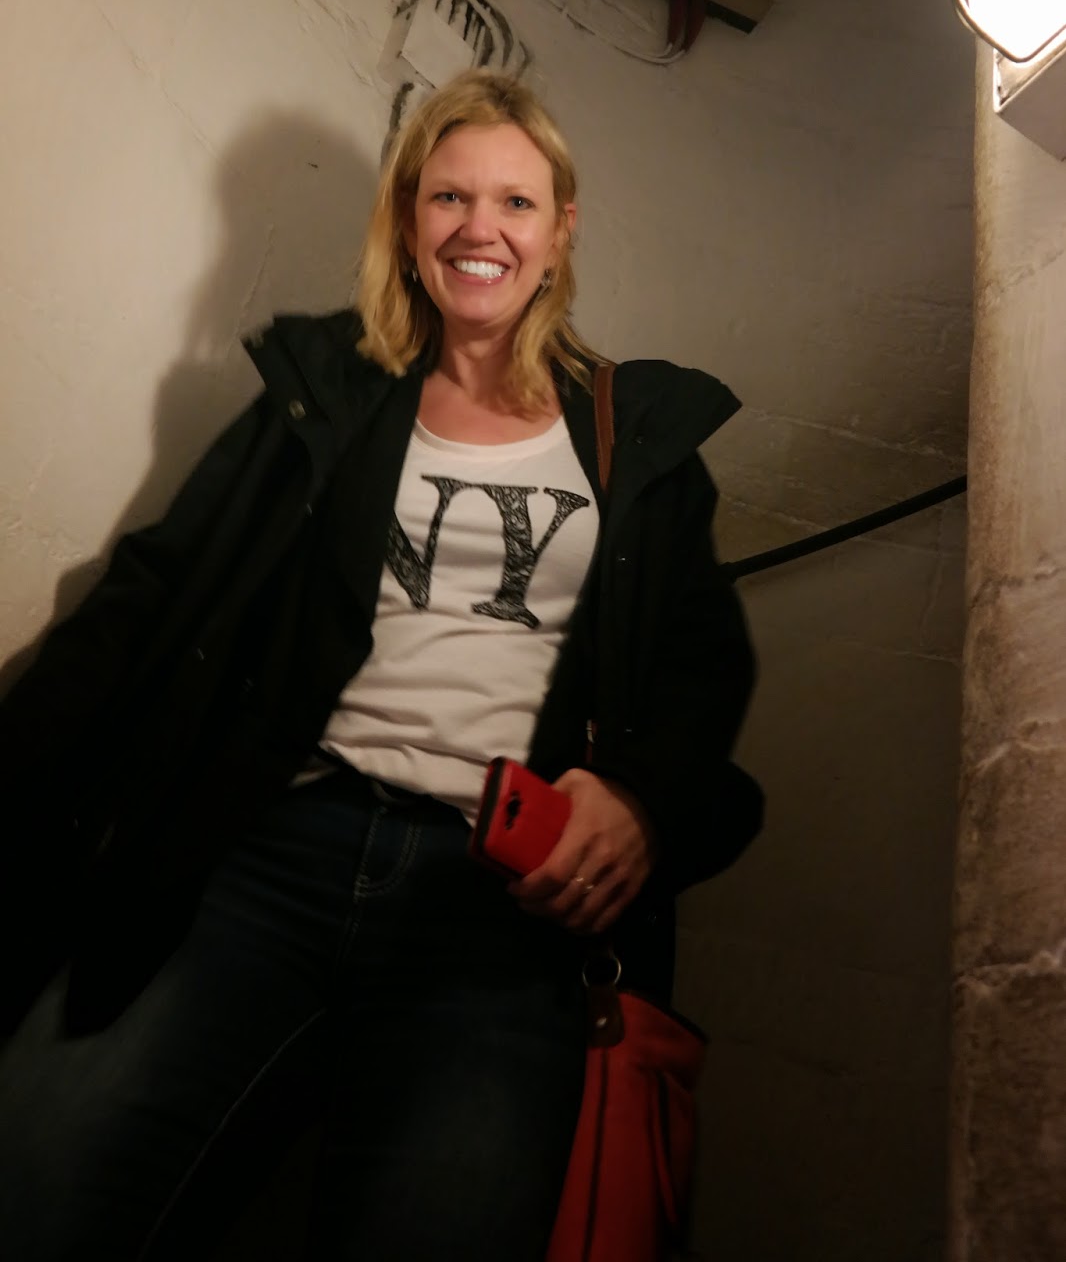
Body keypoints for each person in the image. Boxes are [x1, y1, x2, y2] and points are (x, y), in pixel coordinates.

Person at [0, 70, 762, 1261]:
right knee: (37, 1174)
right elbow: (153, 590)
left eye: (514, 201)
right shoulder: (328, 394)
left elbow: (700, 672)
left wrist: (643, 800)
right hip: (266, 858)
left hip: (492, 912)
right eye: (448, 196)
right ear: (408, 224)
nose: (478, 227)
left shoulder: (637, 436)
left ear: (560, 231)